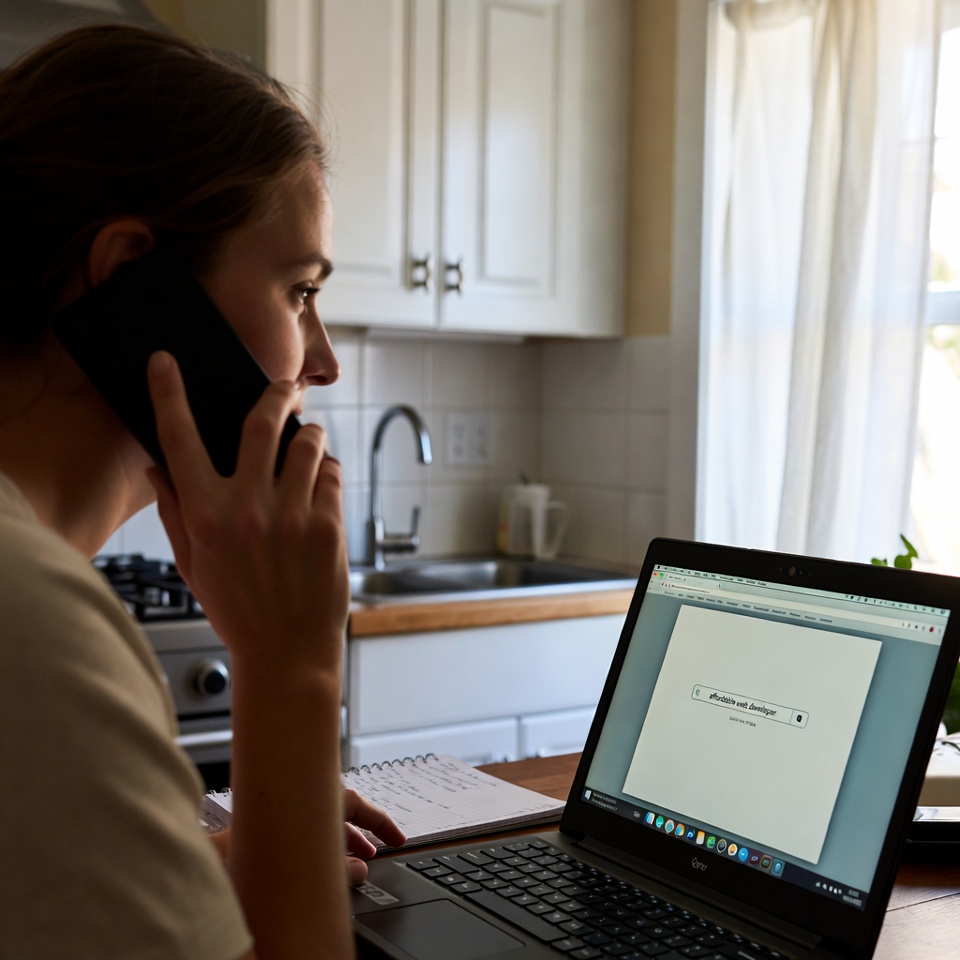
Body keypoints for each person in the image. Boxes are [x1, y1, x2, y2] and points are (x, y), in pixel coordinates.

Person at [0, 23, 405, 960]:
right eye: (300, 291)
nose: (324, 362)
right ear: (131, 274)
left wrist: (196, 863)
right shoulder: (32, 621)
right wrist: (293, 668)